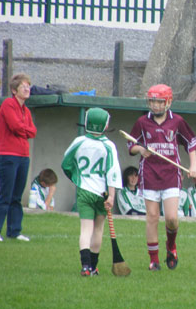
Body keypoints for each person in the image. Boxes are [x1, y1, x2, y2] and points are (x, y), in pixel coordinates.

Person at [128, 84, 196, 271]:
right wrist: (141, 149)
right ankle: (154, 260)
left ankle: (171, 246)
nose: (155, 105)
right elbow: (131, 145)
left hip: (171, 175)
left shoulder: (177, 121)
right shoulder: (142, 122)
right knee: (152, 217)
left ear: (168, 102)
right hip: (149, 174)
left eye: (159, 102)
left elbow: (191, 143)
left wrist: (193, 166)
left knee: (171, 219)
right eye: (152, 101)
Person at [61, 107, 122, 276]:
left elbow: (66, 164)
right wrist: (111, 195)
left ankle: (85, 266)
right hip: (102, 194)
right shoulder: (109, 146)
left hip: (84, 192)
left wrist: (77, 178)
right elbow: (112, 172)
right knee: (98, 229)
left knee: (85, 229)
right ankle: (94, 267)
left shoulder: (78, 141)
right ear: (104, 125)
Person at [0, 73, 37, 242]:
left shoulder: (26, 110)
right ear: (14, 90)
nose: (27, 89)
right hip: (8, 155)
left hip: (23, 156)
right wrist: (24, 129)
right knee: (5, 194)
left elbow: (33, 131)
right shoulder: (8, 104)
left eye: (28, 86)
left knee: (17, 196)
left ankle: (14, 230)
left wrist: (24, 129)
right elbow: (14, 127)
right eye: (23, 86)